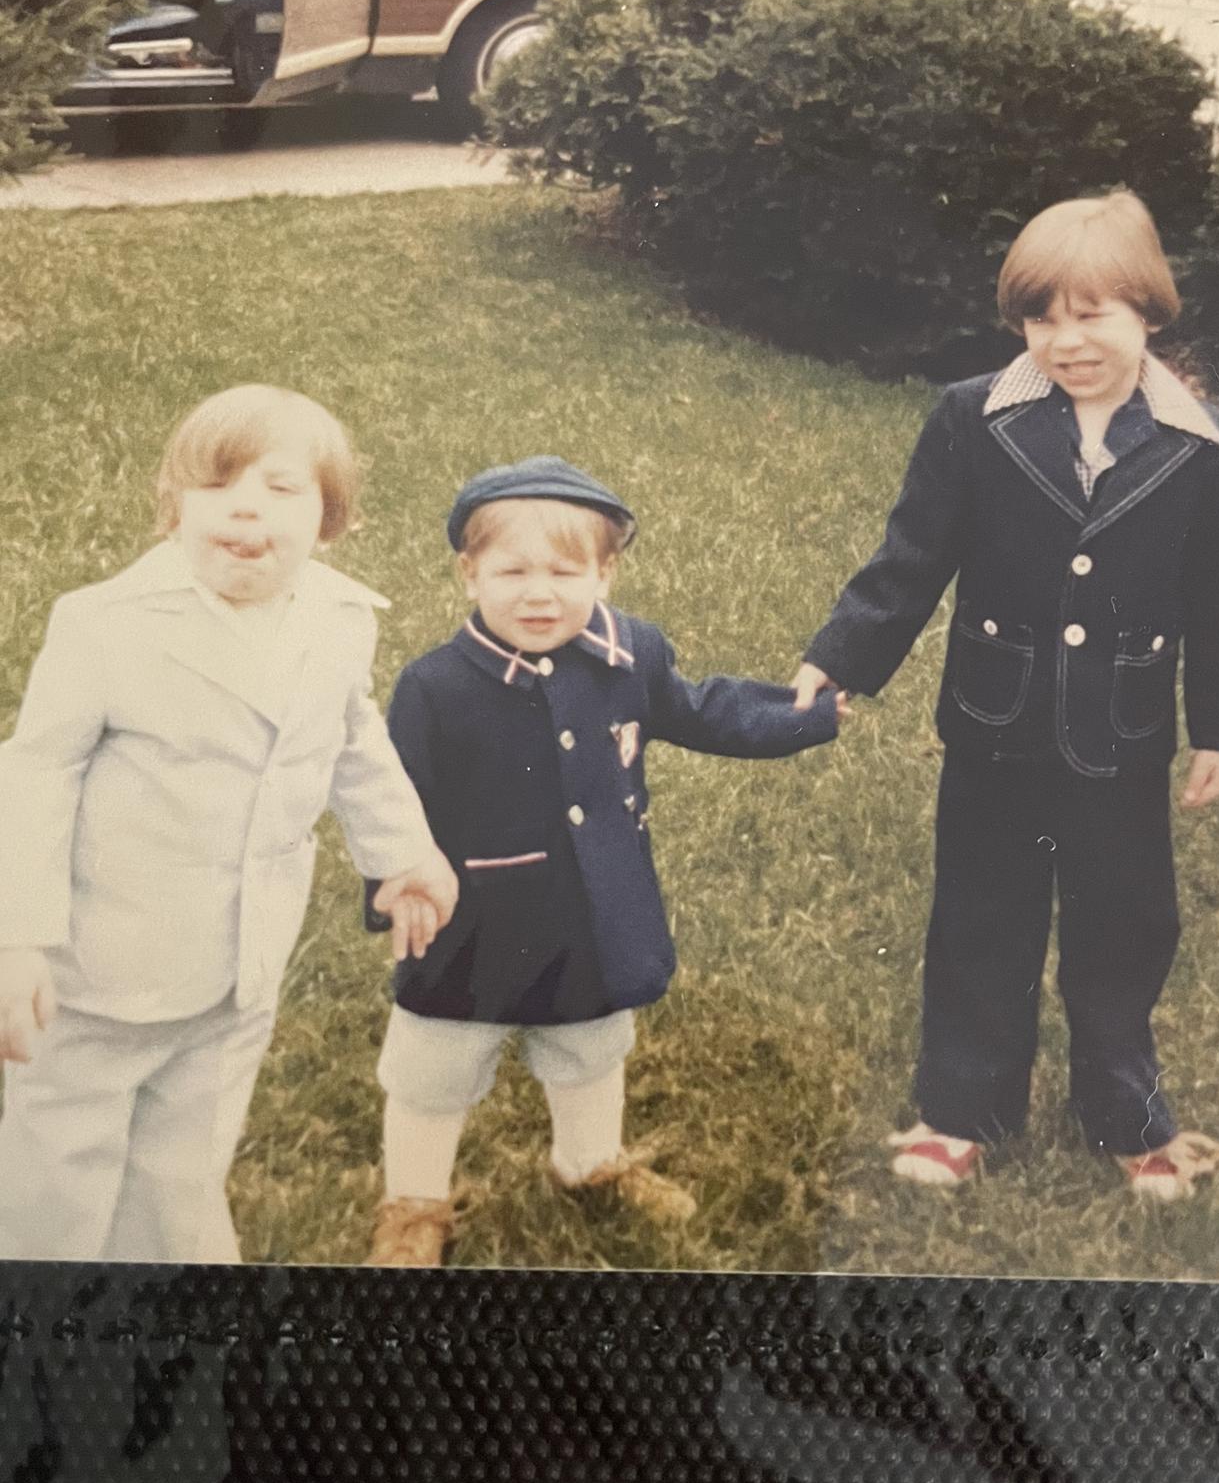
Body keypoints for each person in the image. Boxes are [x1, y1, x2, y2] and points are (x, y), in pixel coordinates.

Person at [793, 191, 1219, 1201]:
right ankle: (962, 1106)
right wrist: (841, 655)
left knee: (1124, 922)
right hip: (993, 726)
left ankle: (1126, 1108)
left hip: (1123, 735)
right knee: (981, 916)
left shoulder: (1207, 445)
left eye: (1093, 313)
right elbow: (910, 557)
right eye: (1042, 317)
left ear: (1149, 310)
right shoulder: (974, 417)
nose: (1067, 340)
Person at [0, 385, 457, 1264]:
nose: (246, 504)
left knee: (186, 1163)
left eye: (281, 488)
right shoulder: (105, 626)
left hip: (240, 965)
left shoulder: (337, 620)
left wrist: (402, 851)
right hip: (97, 974)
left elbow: (352, 738)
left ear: (329, 522)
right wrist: (17, 935)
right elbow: (35, 772)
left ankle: (170, 1317)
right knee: (56, 1172)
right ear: (173, 509)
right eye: (217, 484)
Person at [365, 455, 845, 1267]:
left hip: (591, 918)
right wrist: (390, 884)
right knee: (431, 1071)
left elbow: (700, 711)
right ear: (468, 572)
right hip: (465, 924)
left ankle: (588, 1166)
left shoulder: (630, 655)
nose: (539, 592)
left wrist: (803, 715)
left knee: (591, 1052)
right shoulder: (434, 687)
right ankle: (414, 1203)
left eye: (565, 570)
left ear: (606, 572)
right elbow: (388, 795)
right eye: (512, 571)